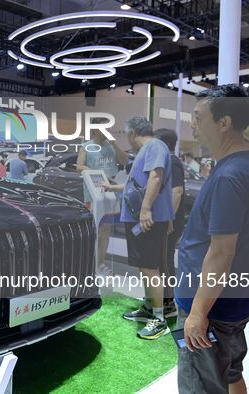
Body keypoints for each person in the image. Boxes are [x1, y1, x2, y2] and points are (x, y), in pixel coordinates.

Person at [175, 84, 249, 394]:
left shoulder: (231, 175)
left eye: (198, 116)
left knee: (200, 383)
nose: (192, 124)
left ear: (224, 122)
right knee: (229, 371)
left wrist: (198, 313)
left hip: (211, 307)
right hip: (235, 301)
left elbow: (221, 252)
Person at [102, 117, 174, 340]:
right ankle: (148, 308)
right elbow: (137, 183)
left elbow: (156, 176)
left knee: (150, 268)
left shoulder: (155, 146)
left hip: (147, 220)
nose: (128, 140)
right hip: (139, 220)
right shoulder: (147, 151)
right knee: (144, 267)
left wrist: (145, 210)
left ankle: (159, 319)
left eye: (127, 135)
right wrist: (112, 186)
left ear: (132, 133)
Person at [76, 128, 128, 275]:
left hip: (111, 190)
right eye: (103, 128)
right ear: (95, 130)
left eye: (109, 128)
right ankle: (90, 263)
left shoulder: (111, 146)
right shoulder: (86, 146)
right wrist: (98, 174)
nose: (107, 131)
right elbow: (79, 166)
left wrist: (115, 144)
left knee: (106, 228)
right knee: (94, 228)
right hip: (93, 190)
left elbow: (125, 160)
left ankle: (100, 263)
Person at [154, 128, 185, 314]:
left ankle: (168, 303)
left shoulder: (172, 163)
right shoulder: (167, 162)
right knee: (160, 260)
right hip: (165, 221)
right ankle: (159, 299)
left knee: (165, 262)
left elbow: (177, 191)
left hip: (169, 222)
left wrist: (168, 217)